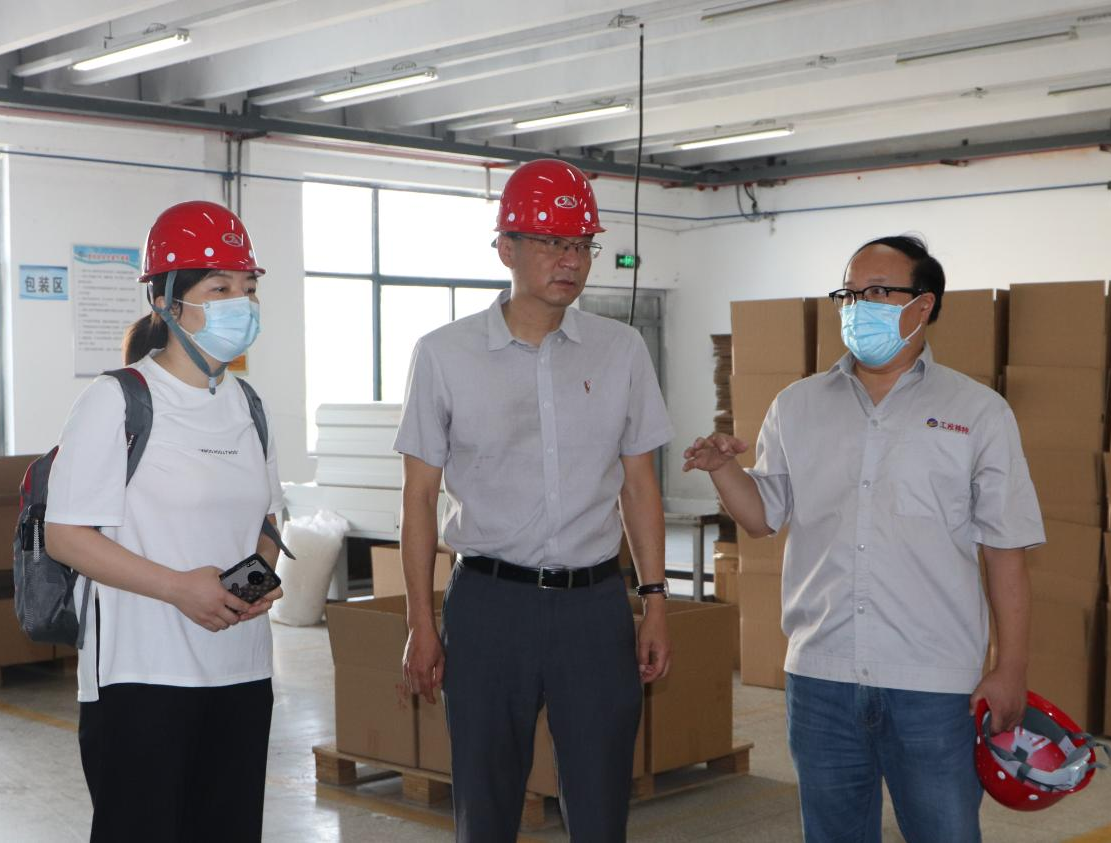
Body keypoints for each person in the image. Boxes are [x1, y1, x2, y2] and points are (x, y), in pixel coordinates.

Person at [684, 235, 1044, 843]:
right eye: (849, 294)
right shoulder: (797, 405)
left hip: (934, 685)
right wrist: (723, 469)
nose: (857, 307)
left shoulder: (978, 412)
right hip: (821, 677)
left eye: (878, 292)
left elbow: (1005, 552)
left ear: (923, 304)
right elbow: (762, 517)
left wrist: (1010, 667)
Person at [395, 158, 674, 842]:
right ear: (505, 249)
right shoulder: (444, 354)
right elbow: (419, 499)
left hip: (594, 607)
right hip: (490, 606)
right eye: (550, 242)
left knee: (601, 805)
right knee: (486, 805)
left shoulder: (621, 350)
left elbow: (640, 484)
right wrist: (421, 622)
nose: (569, 260)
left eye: (581, 245)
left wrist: (655, 601)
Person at [44, 200, 285, 842]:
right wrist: (180, 588)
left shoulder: (248, 404)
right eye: (220, 288)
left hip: (242, 670)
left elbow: (268, 518)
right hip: (142, 676)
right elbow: (65, 535)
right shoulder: (117, 399)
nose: (242, 304)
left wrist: (252, 583)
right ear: (166, 301)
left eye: (249, 288)